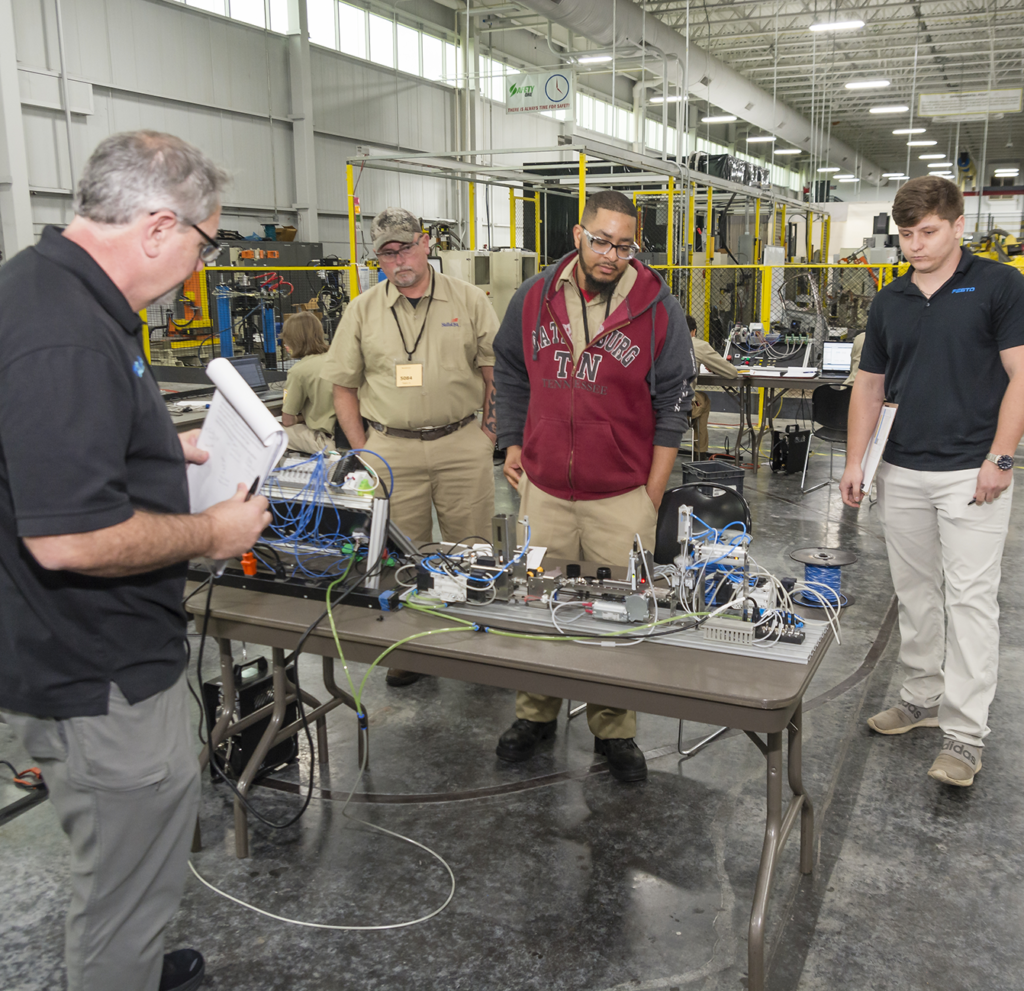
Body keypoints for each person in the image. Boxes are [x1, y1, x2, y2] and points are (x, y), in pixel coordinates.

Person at [0, 131, 272, 991]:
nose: (197, 265)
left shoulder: (41, 288)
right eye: (204, 242)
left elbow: (54, 458)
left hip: (71, 650)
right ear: (160, 226)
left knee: (135, 873)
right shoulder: (67, 336)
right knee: (122, 887)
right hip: (100, 669)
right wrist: (210, 534)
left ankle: (135, 965)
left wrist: (160, 444)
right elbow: (68, 538)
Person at [492, 190, 694, 783]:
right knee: (538, 605)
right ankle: (536, 714)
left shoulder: (659, 308)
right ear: (578, 234)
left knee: (618, 617)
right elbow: (509, 368)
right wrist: (510, 441)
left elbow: (674, 401)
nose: (611, 255)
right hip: (545, 492)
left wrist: (652, 493)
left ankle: (614, 730)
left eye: (624, 245)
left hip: (620, 495)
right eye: (601, 240)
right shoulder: (533, 297)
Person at [839, 175, 1024, 788]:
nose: (915, 244)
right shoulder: (890, 299)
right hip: (901, 470)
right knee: (915, 592)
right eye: (906, 234)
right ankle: (922, 699)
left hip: (972, 473)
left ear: (957, 225)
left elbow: (1021, 373)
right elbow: (869, 385)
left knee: (970, 600)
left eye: (928, 232)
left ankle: (965, 736)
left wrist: (1001, 458)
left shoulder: (998, 285)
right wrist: (856, 463)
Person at [321, 207, 498, 687]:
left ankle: (481, 642)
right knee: (402, 557)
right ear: (376, 259)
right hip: (391, 450)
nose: (398, 259)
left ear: (425, 243)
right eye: (386, 252)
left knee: (473, 548)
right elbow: (343, 387)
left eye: (405, 246)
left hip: (462, 442)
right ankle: (413, 651)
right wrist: (364, 449)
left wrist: (490, 433)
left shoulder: (467, 300)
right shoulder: (362, 310)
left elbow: (494, 371)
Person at [280, 311, 337, 453]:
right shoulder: (338, 357)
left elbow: (288, 420)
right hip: (355, 436)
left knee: (272, 433)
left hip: (328, 441)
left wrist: (302, 417)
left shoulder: (298, 371)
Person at [687, 312, 739, 456]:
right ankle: (700, 454)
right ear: (694, 331)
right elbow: (731, 373)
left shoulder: (662, 341)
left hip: (657, 403)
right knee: (703, 400)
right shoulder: (698, 345)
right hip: (681, 406)